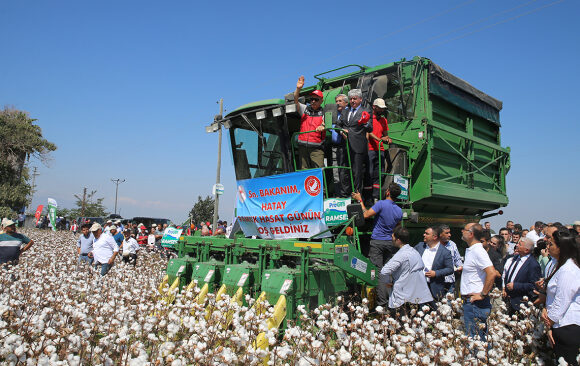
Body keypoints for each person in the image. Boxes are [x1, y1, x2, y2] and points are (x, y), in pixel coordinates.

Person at [352, 182, 402, 308]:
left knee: (378, 273)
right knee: (388, 273)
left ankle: (381, 305)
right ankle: (391, 302)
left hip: (378, 242)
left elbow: (366, 215)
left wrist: (360, 201)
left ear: (388, 192)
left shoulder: (381, 204)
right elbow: (398, 228)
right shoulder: (399, 210)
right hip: (390, 243)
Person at [541, 230, 580, 365]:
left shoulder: (568, 269)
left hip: (568, 325)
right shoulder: (561, 266)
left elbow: (562, 300)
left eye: (551, 244)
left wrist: (549, 324)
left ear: (561, 248)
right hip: (560, 324)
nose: (548, 247)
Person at [379, 227, 433, 312]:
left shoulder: (401, 255)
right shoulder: (414, 252)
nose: (391, 239)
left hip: (402, 297)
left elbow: (384, 271)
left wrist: (387, 282)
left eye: (393, 237)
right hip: (416, 295)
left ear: (398, 240)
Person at [460, 222, 496, 340]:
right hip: (471, 302)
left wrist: (483, 294)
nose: (461, 231)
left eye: (464, 229)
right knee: (476, 339)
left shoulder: (478, 251)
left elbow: (491, 272)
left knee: (476, 340)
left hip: (475, 304)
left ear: (471, 234)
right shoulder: (472, 250)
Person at [337, 89, 372, 196]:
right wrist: (342, 131)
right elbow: (338, 125)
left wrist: (364, 122)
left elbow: (370, 128)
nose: (352, 101)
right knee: (343, 172)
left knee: (357, 173)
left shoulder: (366, 111)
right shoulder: (345, 111)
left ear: (360, 99)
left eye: (355, 99)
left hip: (358, 146)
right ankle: (345, 196)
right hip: (344, 146)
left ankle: (357, 196)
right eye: (351, 99)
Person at [502, 237, 541, 315]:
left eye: (520, 244)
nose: (517, 246)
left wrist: (516, 286)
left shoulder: (533, 264)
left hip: (521, 303)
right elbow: (508, 274)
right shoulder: (515, 259)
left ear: (526, 250)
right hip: (509, 301)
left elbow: (534, 285)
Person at [293, 76, 326, 169]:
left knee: (318, 171)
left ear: (321, 101)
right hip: (303, 147)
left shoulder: (324, 112)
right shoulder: (305, 109)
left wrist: (323, 126)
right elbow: (295, 100)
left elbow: (327, 123)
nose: (313, 101)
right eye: (312, 99)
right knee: (304, 171)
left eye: (316, 99)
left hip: (316, 148)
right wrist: (298, 89)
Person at [414, 226, 454, 300]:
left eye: (427, 233)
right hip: (418, 287)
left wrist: (436, 273)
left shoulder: (445, 252)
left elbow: (450, 269)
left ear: (435, 237)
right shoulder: (420, 246)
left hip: (434, 289)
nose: (424, 235)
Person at [367, 98, 392, 201]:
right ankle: (368, 197)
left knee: (379, 174)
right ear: (374, 107)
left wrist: (388, 139)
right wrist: (379, 139)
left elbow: (386, 135)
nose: (382, 110)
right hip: (370, 149)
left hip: (380, 150)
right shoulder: (368, 118)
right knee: (369, 173)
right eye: (380, 108)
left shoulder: (383, 120)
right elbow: (368, 132)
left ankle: (376, 196)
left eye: (383, 108)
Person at [329, 94, 350, 198]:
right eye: (336, 101)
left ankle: (346, 195)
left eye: (340, 101)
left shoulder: (350, 113)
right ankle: (338, 195)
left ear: (346, 103)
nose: (337, 103)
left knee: (345, 171)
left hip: (346, 146)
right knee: (336, 172)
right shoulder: (333, 114)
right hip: (334, 147)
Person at [439, 224, 463, 294]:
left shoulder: (452, 245)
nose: (449, 235)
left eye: (449, 232)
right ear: (440, 234)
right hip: (437, 282)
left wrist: (460, 266)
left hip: (450, 281)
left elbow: (457, 259)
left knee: (449, 303)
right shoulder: (434, 245)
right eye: (447, 233)